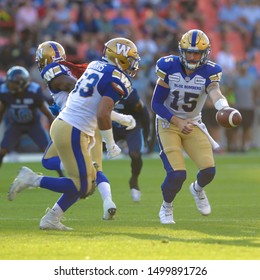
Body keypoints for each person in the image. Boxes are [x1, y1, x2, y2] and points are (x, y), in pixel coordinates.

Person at [8, 37, 141, 230]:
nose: (133, 64)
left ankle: (52, 217)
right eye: (129, 59)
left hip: (73, 126)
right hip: (74, 128)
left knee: (85, 182)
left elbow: (89, 100)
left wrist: (120, 119)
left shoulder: (96, 66)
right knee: (84, 185)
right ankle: (32, 179)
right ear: (119, 59)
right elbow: (98, 108)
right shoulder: (112, 76)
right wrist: (112, 143)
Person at [151, 29, 238, 224]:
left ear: (204, 54)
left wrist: (223, 108)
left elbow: (215, 92)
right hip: (167, 122)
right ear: (181, 51)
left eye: (196, 53)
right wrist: (177, 121)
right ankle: (166, 207)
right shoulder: (169, 67)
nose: (192, 56)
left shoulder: (210, 71)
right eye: (188, 52)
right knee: (177, 174)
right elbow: (156, 104)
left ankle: (197, 189)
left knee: (209, 170)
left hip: (193, 122)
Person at [0, 66, 54, 168]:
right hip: (15, 125)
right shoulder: (5, 92)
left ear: (21, 84)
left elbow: (48, 114)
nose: (9, 85)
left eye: (12, 83)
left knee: (47, 151)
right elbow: (1, 112)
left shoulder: (33, 91)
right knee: (2, 151)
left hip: (33, 125)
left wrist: (53, 132)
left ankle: (61, 175)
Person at [112, 88, 150, 202]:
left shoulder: (130, 93)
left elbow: (144, 113)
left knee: (135, 154)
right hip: (112, 126)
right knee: (92, 149)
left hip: (131, 126)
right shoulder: (102, 89)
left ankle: (134, 180)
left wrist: (146, 134)